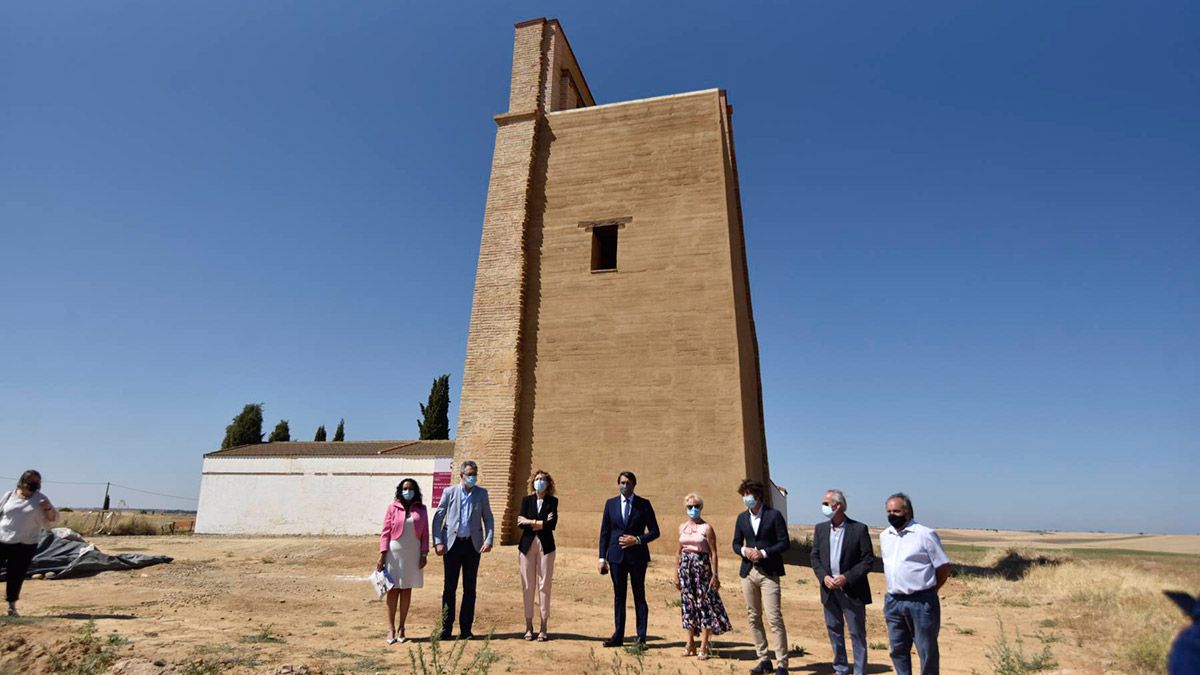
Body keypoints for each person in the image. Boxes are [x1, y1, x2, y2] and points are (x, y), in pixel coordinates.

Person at [879, 492, 951, 675]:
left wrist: (930, 590)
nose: (892, 515)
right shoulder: (885, 536)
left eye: (896, 511)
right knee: (897, 649)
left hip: (921, 602)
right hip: (893, 601)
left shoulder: (925, 534)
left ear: (908, 511)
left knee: (926, 650)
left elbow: (943, 567)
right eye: (889, 511)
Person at [811, 489, 875, 675]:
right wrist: (824, 577)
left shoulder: (859, 529)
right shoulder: (820, 529)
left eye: (826, 503)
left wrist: (847, 577)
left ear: (837, 505)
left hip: (852, 590)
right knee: (834, 631)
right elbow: (815, 557)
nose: (823, 506)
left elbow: (868, 560)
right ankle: (840, 668)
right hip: (829, 590)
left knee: (857, 633)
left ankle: (859, 671)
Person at [732, 478, 790, 675]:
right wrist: (743, 551)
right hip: (748, 572)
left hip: (769, 572)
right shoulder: (741, 518)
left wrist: (764, 553)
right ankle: (764, 659)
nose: (745, 498)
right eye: (743, 495)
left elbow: (784, 542)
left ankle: (782, 663)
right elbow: (735, 543)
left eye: (748, 495)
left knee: (774, 617)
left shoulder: (774, 516)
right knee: (753, 616)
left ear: (757, 496)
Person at [431, 460, 494, 640]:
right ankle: (446, 629)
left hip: (473, 545)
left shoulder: (482, 494)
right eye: (469, 474)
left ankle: (466, 629)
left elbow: (488, 518)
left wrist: (488, 540)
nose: (472, 477)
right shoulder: (449, 492)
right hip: (452, 544)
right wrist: (438, 541)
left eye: (474, 473)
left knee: (470, 588)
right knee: (449, 588)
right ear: (461, 476)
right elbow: (438, 518)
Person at [598, 471, 660, 648]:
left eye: (629, 483)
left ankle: (641, 637)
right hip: (616, 557)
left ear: (634, 484)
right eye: (622, 482)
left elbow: (655, 531)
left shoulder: (643, 504)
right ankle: (618, 636)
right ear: (618, 484)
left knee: (639, 595)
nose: (625, 486)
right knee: (619, 596)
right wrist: (602, 558)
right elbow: (605, 532)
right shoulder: (611, 504)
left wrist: (637, 540)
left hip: (637, 557)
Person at [674, 493, 732, 660]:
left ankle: (704, 645)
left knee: (704, 605)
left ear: (701, 508)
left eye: (696, 506)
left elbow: (713, 553)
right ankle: (689, 643)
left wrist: (715, 574)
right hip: (686, 570)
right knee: (688, 606)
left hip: (702, 570)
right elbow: (678, 552)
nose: (693, 509)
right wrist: (676, 574)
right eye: (690, 506)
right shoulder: (682, 527)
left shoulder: (706, 528)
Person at [376, 478, 429, 644]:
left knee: (406, 590)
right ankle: (390, 628)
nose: (408, 491)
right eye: (405, 488)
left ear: (415, 491)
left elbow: (426, 533)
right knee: (392, 590)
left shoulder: (422, 509)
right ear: (400, 490)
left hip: (412, 554)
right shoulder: (392, 508)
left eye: (411, 488)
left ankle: (402, 627)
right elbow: (385, 532)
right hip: (394, 552)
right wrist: (382, 554)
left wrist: (424, 554)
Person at [0, 470, 58, 617]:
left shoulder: (41, 499)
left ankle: (11, 607)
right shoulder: (9, 495)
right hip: (3, 539)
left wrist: (48, 508)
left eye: (38, 482)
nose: (36, 485)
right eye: (33, 481)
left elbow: (52, 520)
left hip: (26, 543)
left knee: (16, 575)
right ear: (23, 481)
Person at [516, 469, 558, 641]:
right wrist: (539, 523)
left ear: (548, 484)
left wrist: (530, 522)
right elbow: (520, 522)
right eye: (537, 479)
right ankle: (528, 626)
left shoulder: (552, 501)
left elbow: (552, 524)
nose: (539, 481)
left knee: (544, 585)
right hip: (527, 546)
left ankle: (543, 626)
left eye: (543, 479)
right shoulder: (526, 500)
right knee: (527, 585)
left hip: (546, 546)